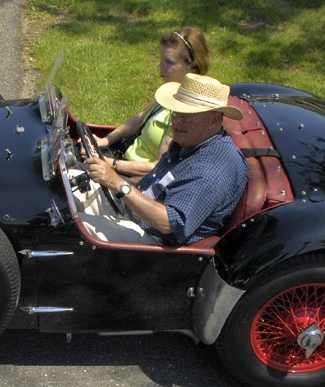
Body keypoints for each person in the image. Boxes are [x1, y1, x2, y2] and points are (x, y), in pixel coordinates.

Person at [81, 72, 248, 246]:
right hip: (134, 209)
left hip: (154, 241)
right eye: (175, 112)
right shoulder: (191, 142)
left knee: (67, 232)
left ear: (214, 119)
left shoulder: (211, 169)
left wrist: (117, 183)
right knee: (64, 192)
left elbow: (167, 223)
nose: (177, 121)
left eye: (188, 115)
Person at [96, 27, 211, 179]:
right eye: (161, 60)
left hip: (135, 182)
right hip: (121, 160)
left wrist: (111, 164)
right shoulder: (172, 89)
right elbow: (140, 119)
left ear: (193, 66)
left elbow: (159, 166)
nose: (160, 67)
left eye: (169, 62)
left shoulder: (186, 111)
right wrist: (107, 139)